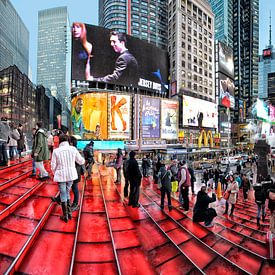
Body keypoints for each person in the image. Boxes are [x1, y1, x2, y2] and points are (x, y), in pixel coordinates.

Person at [51, 134, 85, 222]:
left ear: (60, 141)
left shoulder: (56, 151)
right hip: (71, 175)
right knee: (67, 191)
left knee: (63, 193)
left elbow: (53, 165)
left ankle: (65, 215)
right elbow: (81, 161)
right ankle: (69, 213)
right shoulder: (73, 149)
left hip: (61, 174)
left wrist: (55, 173)